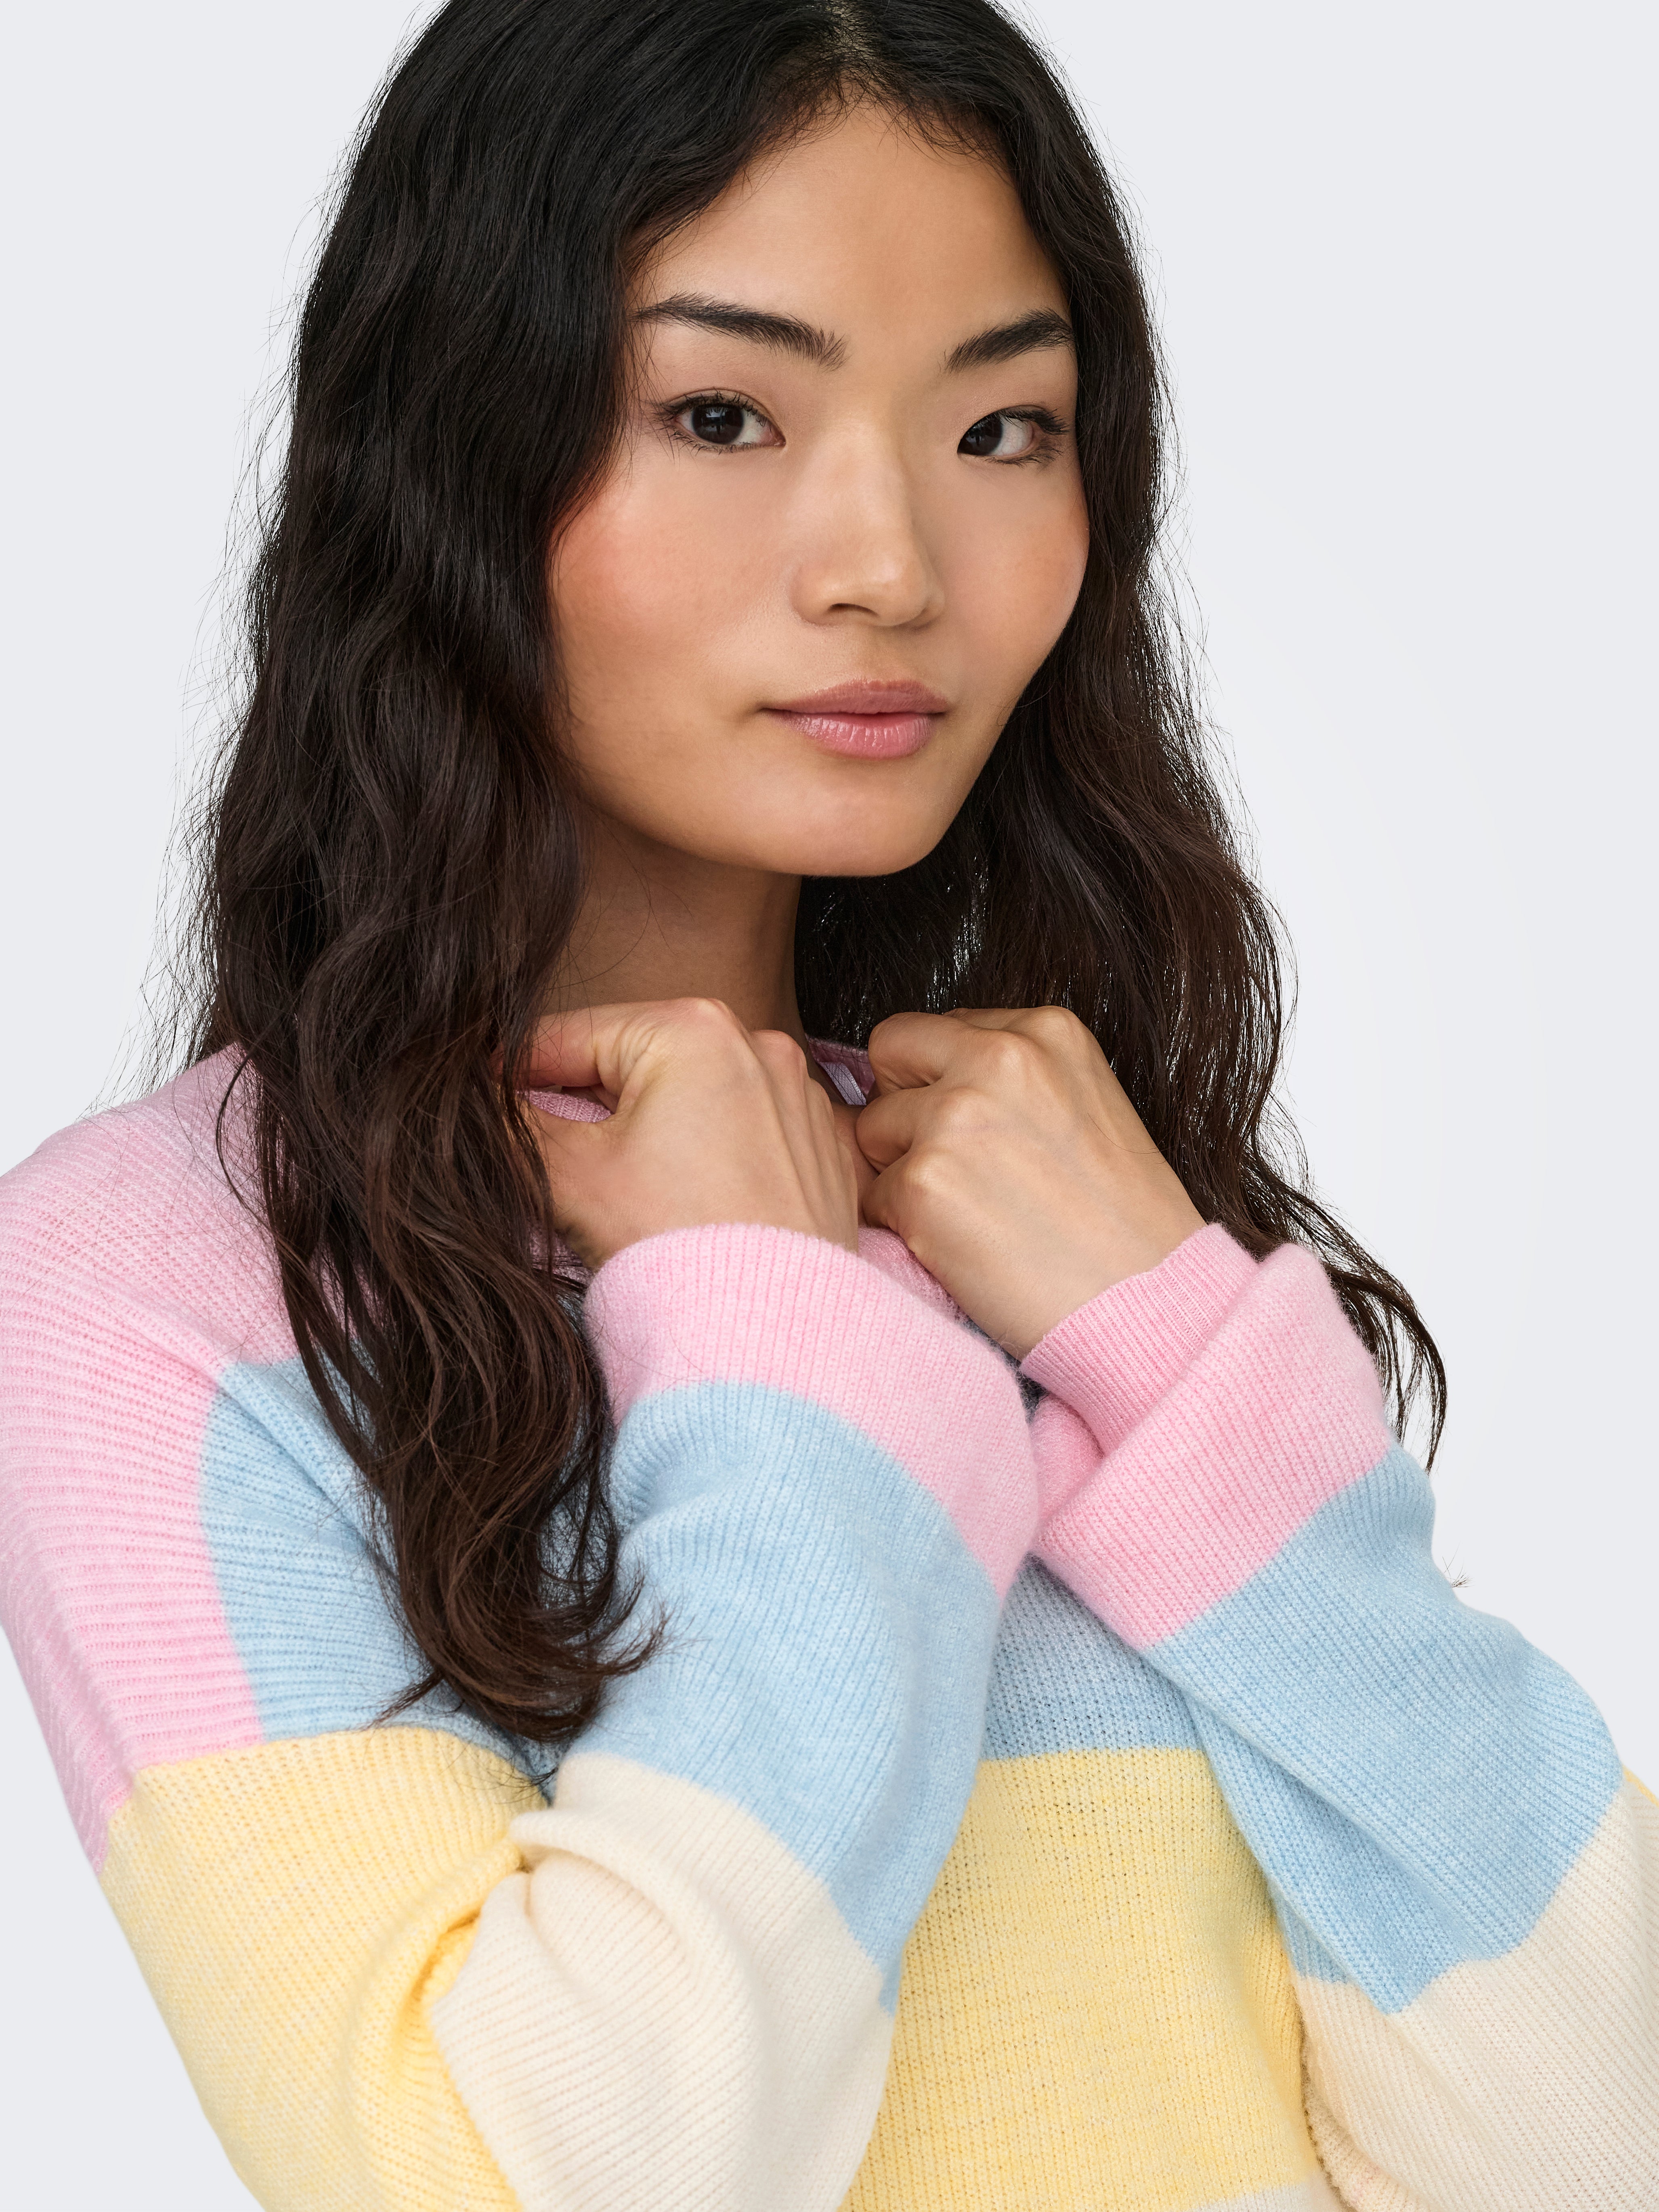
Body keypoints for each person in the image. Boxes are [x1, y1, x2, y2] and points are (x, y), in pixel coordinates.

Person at [1, 1, 1653, 2206]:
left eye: (1001, 428)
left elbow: (1594, 2146)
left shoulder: (1062, 1219)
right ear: (450, 445)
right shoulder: (168, 1290)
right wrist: (772, 1340)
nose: (891, 562)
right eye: (722, 412)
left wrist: (1188, 1358)